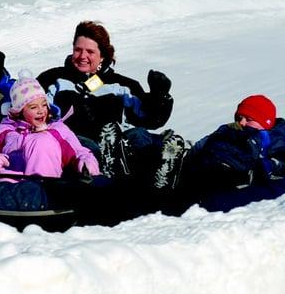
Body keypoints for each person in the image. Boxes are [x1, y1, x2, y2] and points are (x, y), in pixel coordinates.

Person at [37, 21, 180, 187]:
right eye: (78, 50)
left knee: (139, 135)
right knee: (85, 144)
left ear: (102, 55)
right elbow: (30, 107)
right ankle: (109, 171)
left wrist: (159, 97)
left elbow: (149, 118)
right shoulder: (53, 79)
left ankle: (162, 173)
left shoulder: (122, 85)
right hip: (76, 145)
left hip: (121, 145)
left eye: (90, 51)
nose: (82, 56)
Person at [162, 94, 285, 215]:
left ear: (266, 123)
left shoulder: (277, 154)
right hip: (191, 175)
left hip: (209, 192)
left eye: (248, 119)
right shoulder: (228, 131)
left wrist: (261, 170)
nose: (241, 122)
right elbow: (199, 148)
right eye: (239, 117)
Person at [0, 71, 100, 179]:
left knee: (42, 140)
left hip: (49, 186)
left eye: (44, 105)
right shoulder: (4, 131)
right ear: (19, 111)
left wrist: (86, 164)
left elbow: (79, 152)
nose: (41, 111)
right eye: (33, 107)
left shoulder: (57, 129)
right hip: (11, 189)